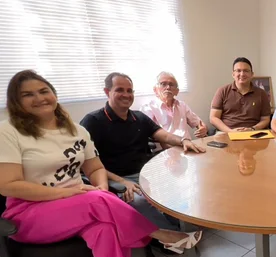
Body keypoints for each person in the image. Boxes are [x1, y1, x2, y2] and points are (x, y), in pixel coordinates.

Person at [0, 70, 202, 257]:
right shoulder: (9, 131)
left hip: (80, 205)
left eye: (43, 91)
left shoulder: (75, 130)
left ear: (53, 94)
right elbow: (8, 184)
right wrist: (71, 193)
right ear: (16, 101)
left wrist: (100, 190)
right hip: (30, 213)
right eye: (28, 94)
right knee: (96, 201)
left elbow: (95, 169)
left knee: (106, 229)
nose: (38, 98)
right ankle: (162, 235)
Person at [80, 72, 205, 231]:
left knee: (177, 184)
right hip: (116, 177)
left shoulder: (138, 117)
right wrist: (123, 182)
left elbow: (164, 135)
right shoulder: (93, 121)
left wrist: (184, 141)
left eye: (129, 90)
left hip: (146, 172)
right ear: (107, 92)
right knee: (139, 201)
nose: (126, 95)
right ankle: (172, 237)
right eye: (120, 90)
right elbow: (89, 166)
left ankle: (183, 226)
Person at [141, 71, 207, 148]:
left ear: (177, 91)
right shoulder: (148, 107)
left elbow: (199, 123)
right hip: (163, 152)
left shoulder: (182, 105)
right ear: (155, 90)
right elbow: (146, 132)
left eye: (171, 85)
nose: (168, 87)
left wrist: (203, 129)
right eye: (163, 84)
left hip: (187, 147)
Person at [210, 57, 271, 132]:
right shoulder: (222, 91)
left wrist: (252, 129)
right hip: (226, 133)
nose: (242, 74)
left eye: (246, 71)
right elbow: (214, 118)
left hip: (253, 133)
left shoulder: (262, 93)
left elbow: (265, 119)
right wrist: (230, 131)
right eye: (238, 71)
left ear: (252, 74)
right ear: (233, 74)